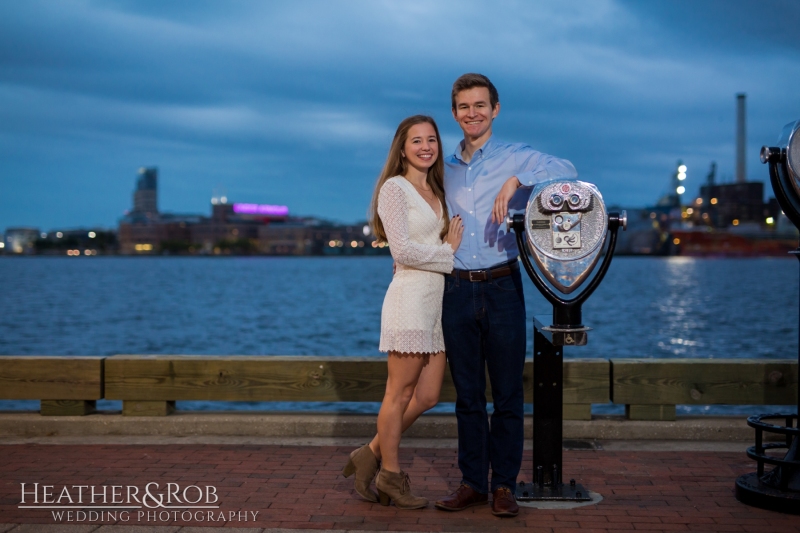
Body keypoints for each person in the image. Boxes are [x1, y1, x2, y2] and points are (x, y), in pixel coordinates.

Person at [434, 73, 577, 517]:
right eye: (463, 107)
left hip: (503, 285)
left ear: (495, 110)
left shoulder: (517, 155)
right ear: (454, 113)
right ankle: (473, 482)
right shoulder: (443, 166)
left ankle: (504, 486)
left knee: (509, 394)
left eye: (480, 105)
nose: (471, 113)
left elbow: (568, 172)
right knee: (468, 395)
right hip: (455, 287)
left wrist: (517, 179)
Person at [343, 115, 464, 509]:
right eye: (417, 141)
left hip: (435, 302)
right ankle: (391, 478)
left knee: (427, 395)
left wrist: (443, 250)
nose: (426, 146)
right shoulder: (395, 189)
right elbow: (403, 252)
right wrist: (448, 251)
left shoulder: (436, 188)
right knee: (398, 394)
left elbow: (423, 247)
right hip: (410, 299)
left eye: (432, 140)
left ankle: (370, 452)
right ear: (402, 147)